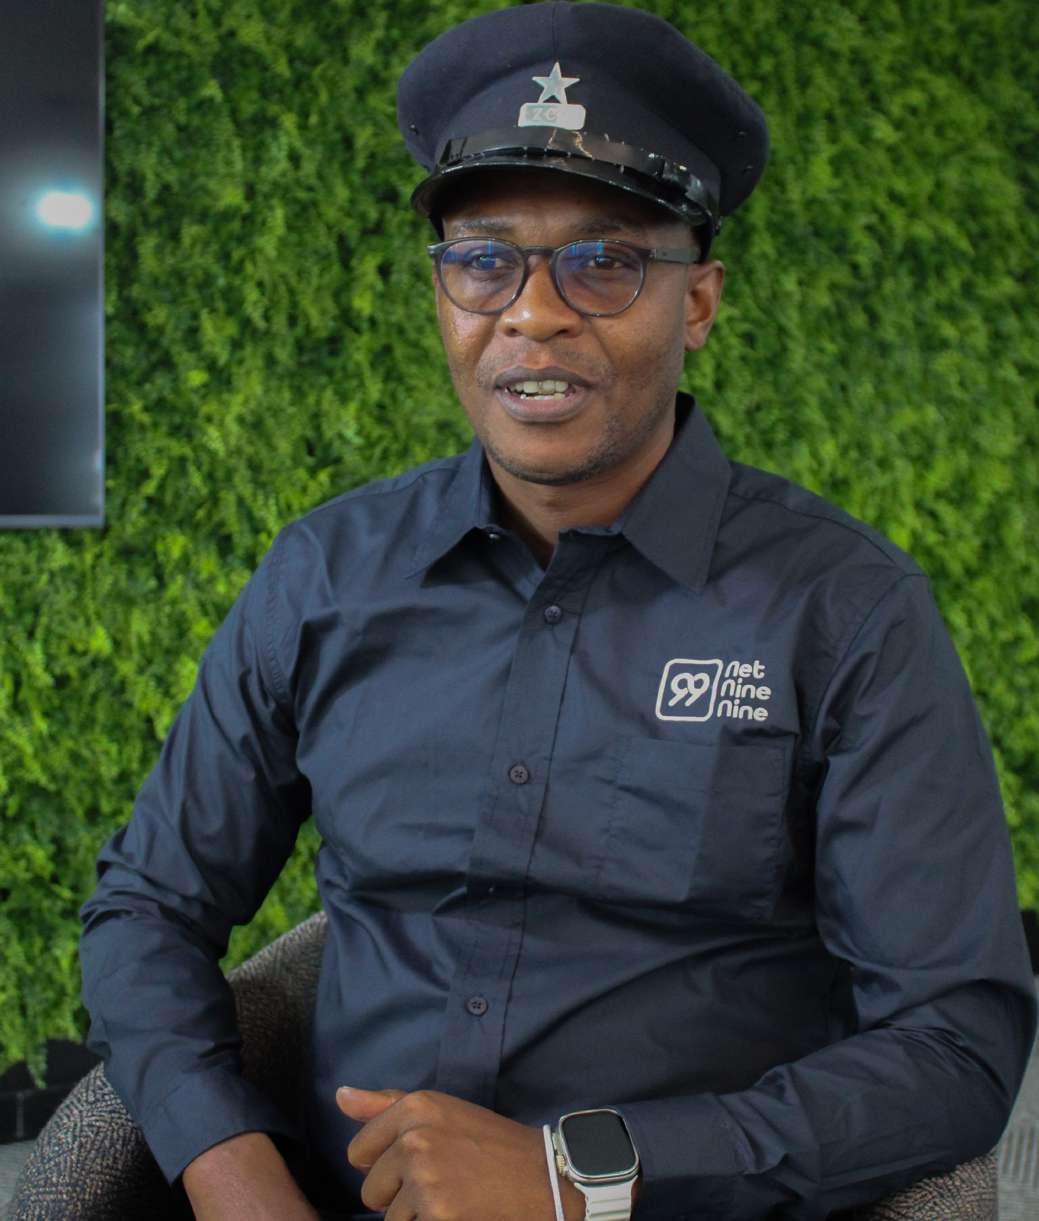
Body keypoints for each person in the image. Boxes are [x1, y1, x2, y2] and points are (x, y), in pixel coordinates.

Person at [79, 3, 1037, 1219]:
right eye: (483, 260)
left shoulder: (841, 610)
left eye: (605, 260)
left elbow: (956, 1046)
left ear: (697, 302)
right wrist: (233, 1176)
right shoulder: (328, 573)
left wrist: (581, 1174)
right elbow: (147, 910)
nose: (531, 313)